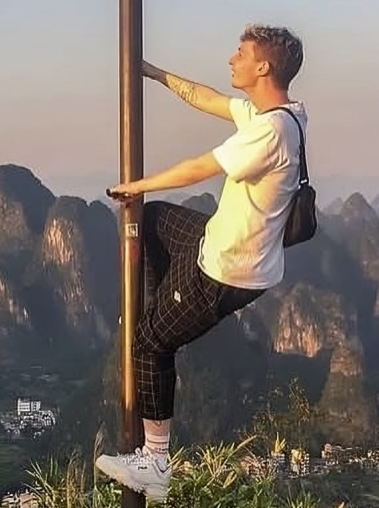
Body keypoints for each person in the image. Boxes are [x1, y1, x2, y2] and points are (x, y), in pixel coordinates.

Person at [96, 24, 308, 501]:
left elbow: (200, 167)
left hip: (226, 270)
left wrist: (135, 185)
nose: (232, 59)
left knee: (147, 344)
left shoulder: (268, 134)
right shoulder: (283, 114)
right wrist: (149, 73)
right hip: (221, 242)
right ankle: (159, 313)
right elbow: (206, 97)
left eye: (241, 53)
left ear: (263, 66)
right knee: (153, 220)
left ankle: (154, 463)